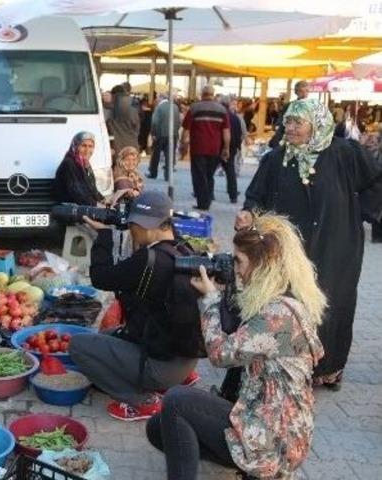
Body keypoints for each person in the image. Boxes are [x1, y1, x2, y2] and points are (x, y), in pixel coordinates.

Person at [147, 214, 326, 480]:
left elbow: (220, 354)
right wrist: (225, 293)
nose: (236, 269)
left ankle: (258, 470)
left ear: (263, 265)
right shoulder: (284, 297)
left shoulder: (279, 315)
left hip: (274, 440)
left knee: (176, 400)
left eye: (239, 261)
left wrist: (208, 299)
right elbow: (238, 335)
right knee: (158, 428)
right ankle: (244, 469)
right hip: (269, 422)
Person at [239, 98, 382, 390]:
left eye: (297, 123)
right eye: (288, 122)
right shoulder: (276, 159)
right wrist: (248, 213)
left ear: (317, 125)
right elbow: (256, 196)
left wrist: (361, 213)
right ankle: (290, 364)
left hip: (337, 244)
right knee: (289, 302)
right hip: (289, 250)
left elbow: (375, 182)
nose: (289, 128)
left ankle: (328, 368)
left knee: (334, 303)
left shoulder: (345, 153)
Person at [69, 191, 205, 421]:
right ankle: (172, 380)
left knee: (79, 346)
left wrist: (103, 235)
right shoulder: (183, 249)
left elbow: (101, 277)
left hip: (160, 367)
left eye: (133, 225)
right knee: (108, 335)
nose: (131, 230)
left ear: (147, 225)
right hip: (184, 359)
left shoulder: (150, 259)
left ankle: (140, 401)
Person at [182, 85, 231, 210]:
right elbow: (226, 132)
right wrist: (226, 148)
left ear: (202, 94)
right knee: (209, 175)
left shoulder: (194, 108)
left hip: (198, 147)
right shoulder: (222, 110)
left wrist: (184, 145)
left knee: (199, 175)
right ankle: (207, 200)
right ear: (213, 94)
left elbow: (186, 129)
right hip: (215, 148)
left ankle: (203, 203)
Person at [268, 81, 310, 148]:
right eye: (301, 91)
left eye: (307, 91)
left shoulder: (312, 107)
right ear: (296, 92)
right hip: (290, 137)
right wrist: (278, 127)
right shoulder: (289, 106)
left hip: (305, 140)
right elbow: (281, 121)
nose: (304, 94)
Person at [149, 94, 181, 180]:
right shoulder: (175, 107)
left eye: (157, 98)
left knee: (156, 154)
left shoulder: (159, 107)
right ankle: (168, 175)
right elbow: (179, 121)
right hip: (173, 135)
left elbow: (154, 122)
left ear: (161, 98)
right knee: (170, 155)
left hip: (160, 134)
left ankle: (153, 172)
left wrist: (153, 133)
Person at [218, 95, 243, 204]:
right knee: (230, 171)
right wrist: (237, 146)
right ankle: (233, 195)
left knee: (209, 171)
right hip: (232, 147)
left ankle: (208, 194)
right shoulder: (235, 117)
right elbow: (239, 133)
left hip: (219, 146)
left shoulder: (220, 116)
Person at [107, 84, 140, 155]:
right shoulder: (133, 102)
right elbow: (137, 124)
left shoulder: (110, 105)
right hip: (133, 144)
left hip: (118, 146)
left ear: (113, 95)